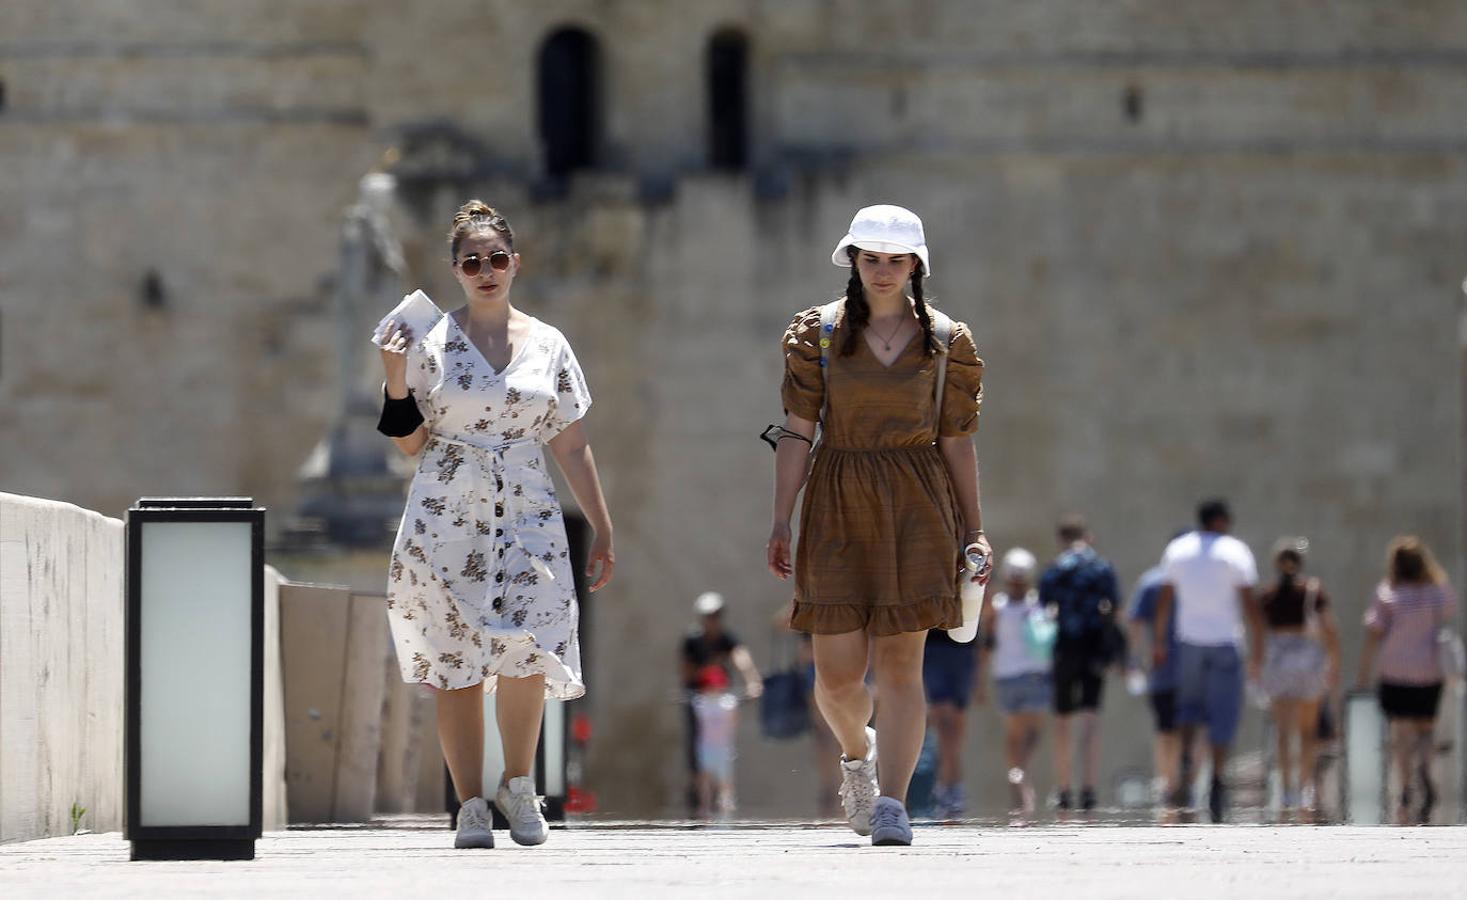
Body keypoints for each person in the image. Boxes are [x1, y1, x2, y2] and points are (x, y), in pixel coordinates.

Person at [376, 200, 615, 850]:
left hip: (528, 509)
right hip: (447, 507)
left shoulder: (548, 344)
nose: (486, 270)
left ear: (516, 264)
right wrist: (395, 380)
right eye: (472, 262)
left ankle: (517, 783)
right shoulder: (428, 342)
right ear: (455, 270)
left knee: (528, 647)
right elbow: (408, 441)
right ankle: (471, 803)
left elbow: (570, 441)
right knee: (453, 655)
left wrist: (600, 523)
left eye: (497, 259)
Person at [766, 204, 990, 846]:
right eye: (872, 259)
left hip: (919, 503)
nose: (884, 270)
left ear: (916, 264)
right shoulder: (818, 336)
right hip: (836, 497)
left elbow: (957, 442)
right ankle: (856, 756)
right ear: (854, 262)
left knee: (900, 665)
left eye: (896, 260)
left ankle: (893, 804)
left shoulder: (948, 341)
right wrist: (781, 517)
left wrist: (975, 530)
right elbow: (796, 433)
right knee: (835, 679)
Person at [1154, 499, 1259, 823]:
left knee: (1189, 706)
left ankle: (1187, 758)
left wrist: (1159, 641)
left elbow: (1165, 599)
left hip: (1190, 640)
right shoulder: (1235, 551)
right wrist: (1260, 647)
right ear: (1222, 520)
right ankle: (1216, 777)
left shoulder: (1178, 551)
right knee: (1223, 711)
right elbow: (1248, 602)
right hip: (1225, 641)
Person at [1356, 536, 1458, 825]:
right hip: (1429, 668)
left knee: (1400, 730)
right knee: (1426, 727)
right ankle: (1425, 770)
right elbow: (1448, 613)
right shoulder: (1438, 591)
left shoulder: (1389, 592)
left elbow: (1374, 632)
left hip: (1396, 669)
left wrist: (1364, 673)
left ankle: (1404, 786)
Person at [1039, 514, 1121, 812]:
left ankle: (1063, 788)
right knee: (1090, 716)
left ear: (1061, 539)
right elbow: (1113, 607)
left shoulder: (1056, 568)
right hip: (1094, 645)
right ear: (1087, 537)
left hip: (1065, 645)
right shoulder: (1100, 566)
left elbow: (1044, 609)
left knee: (1062, 719)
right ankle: (1088, 788)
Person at [1256, 538, 1341, 817]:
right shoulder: (1313, 591)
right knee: (1307, 730)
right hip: (1307, 660)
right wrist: (1334, 662)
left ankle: (1286, 788)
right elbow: (1329, 629)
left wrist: (1255, 665)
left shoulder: (1267, 595)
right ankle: (1305, 787)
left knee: (1282, 730)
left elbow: (1259, 633)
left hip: (1278, 660)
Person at [974, 547, 1048, 813]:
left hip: (1005, 676)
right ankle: (1022, 771)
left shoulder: (997, 607)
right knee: (1034, 732)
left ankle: (1015, 770)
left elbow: (986, 646)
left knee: (1014, 733)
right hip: (1034, 675)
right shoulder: (1038, 605)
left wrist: (980, 682)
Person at [680, 592, 762, 814]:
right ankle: (700, 794)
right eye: (709, 616)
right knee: (697, 747)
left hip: (720, 703)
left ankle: (722, 794)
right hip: (699, 702)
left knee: (724, 747)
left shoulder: (727, 638)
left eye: (716, 616)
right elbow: (687, 672)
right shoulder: (692, 641)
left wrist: (752, 681)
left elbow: (741, 658)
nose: (713, 621)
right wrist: (708, 668)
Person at [1127, 551, 1183, 808]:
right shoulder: (1190, 579)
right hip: (1191, 667)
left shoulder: (1151, 581)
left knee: (1164, 729)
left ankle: (1166, 781)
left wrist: (1133, 662)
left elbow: (1135, 624)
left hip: (1161, 667)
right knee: (1190, 726)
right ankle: (1184, 781)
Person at [924, 624, 981, 817]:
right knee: (943, 723)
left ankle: (953, 785)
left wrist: (980, 677)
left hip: (964, 648)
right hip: (933, 647)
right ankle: (946, 787)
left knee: (957, 726)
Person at [691, 664, 741, 818]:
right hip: (706, 745)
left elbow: (734, 721)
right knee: (705, 776)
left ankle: (726, 801)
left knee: (725, 776)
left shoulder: (728, 703)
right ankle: (704, 803)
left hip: (724, 746)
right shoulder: (701, 703)